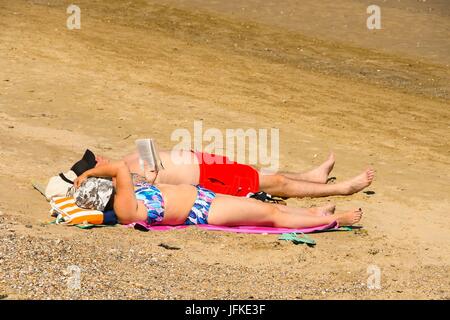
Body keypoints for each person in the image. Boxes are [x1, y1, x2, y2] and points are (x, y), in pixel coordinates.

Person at [73, 161, 363, 229]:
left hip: (203, 196)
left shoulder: (128, 194)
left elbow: (132, 176)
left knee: (259, 206)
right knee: (271, 215)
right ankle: (338, 220)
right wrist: (89, 173)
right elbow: (120, 168)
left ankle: (314, 214)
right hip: (202, 213)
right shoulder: (124, 208)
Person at [92, 149, 375, 199]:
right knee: (273, 183)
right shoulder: (123, 179)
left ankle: (312, 177)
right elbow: (152, 184)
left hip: (200, 161)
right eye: (94, 162)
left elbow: (153, 152)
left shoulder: (124, 162)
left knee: (256, 173)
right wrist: (152, 170)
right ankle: (341, 189)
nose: (99, 157)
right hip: (206, 180)